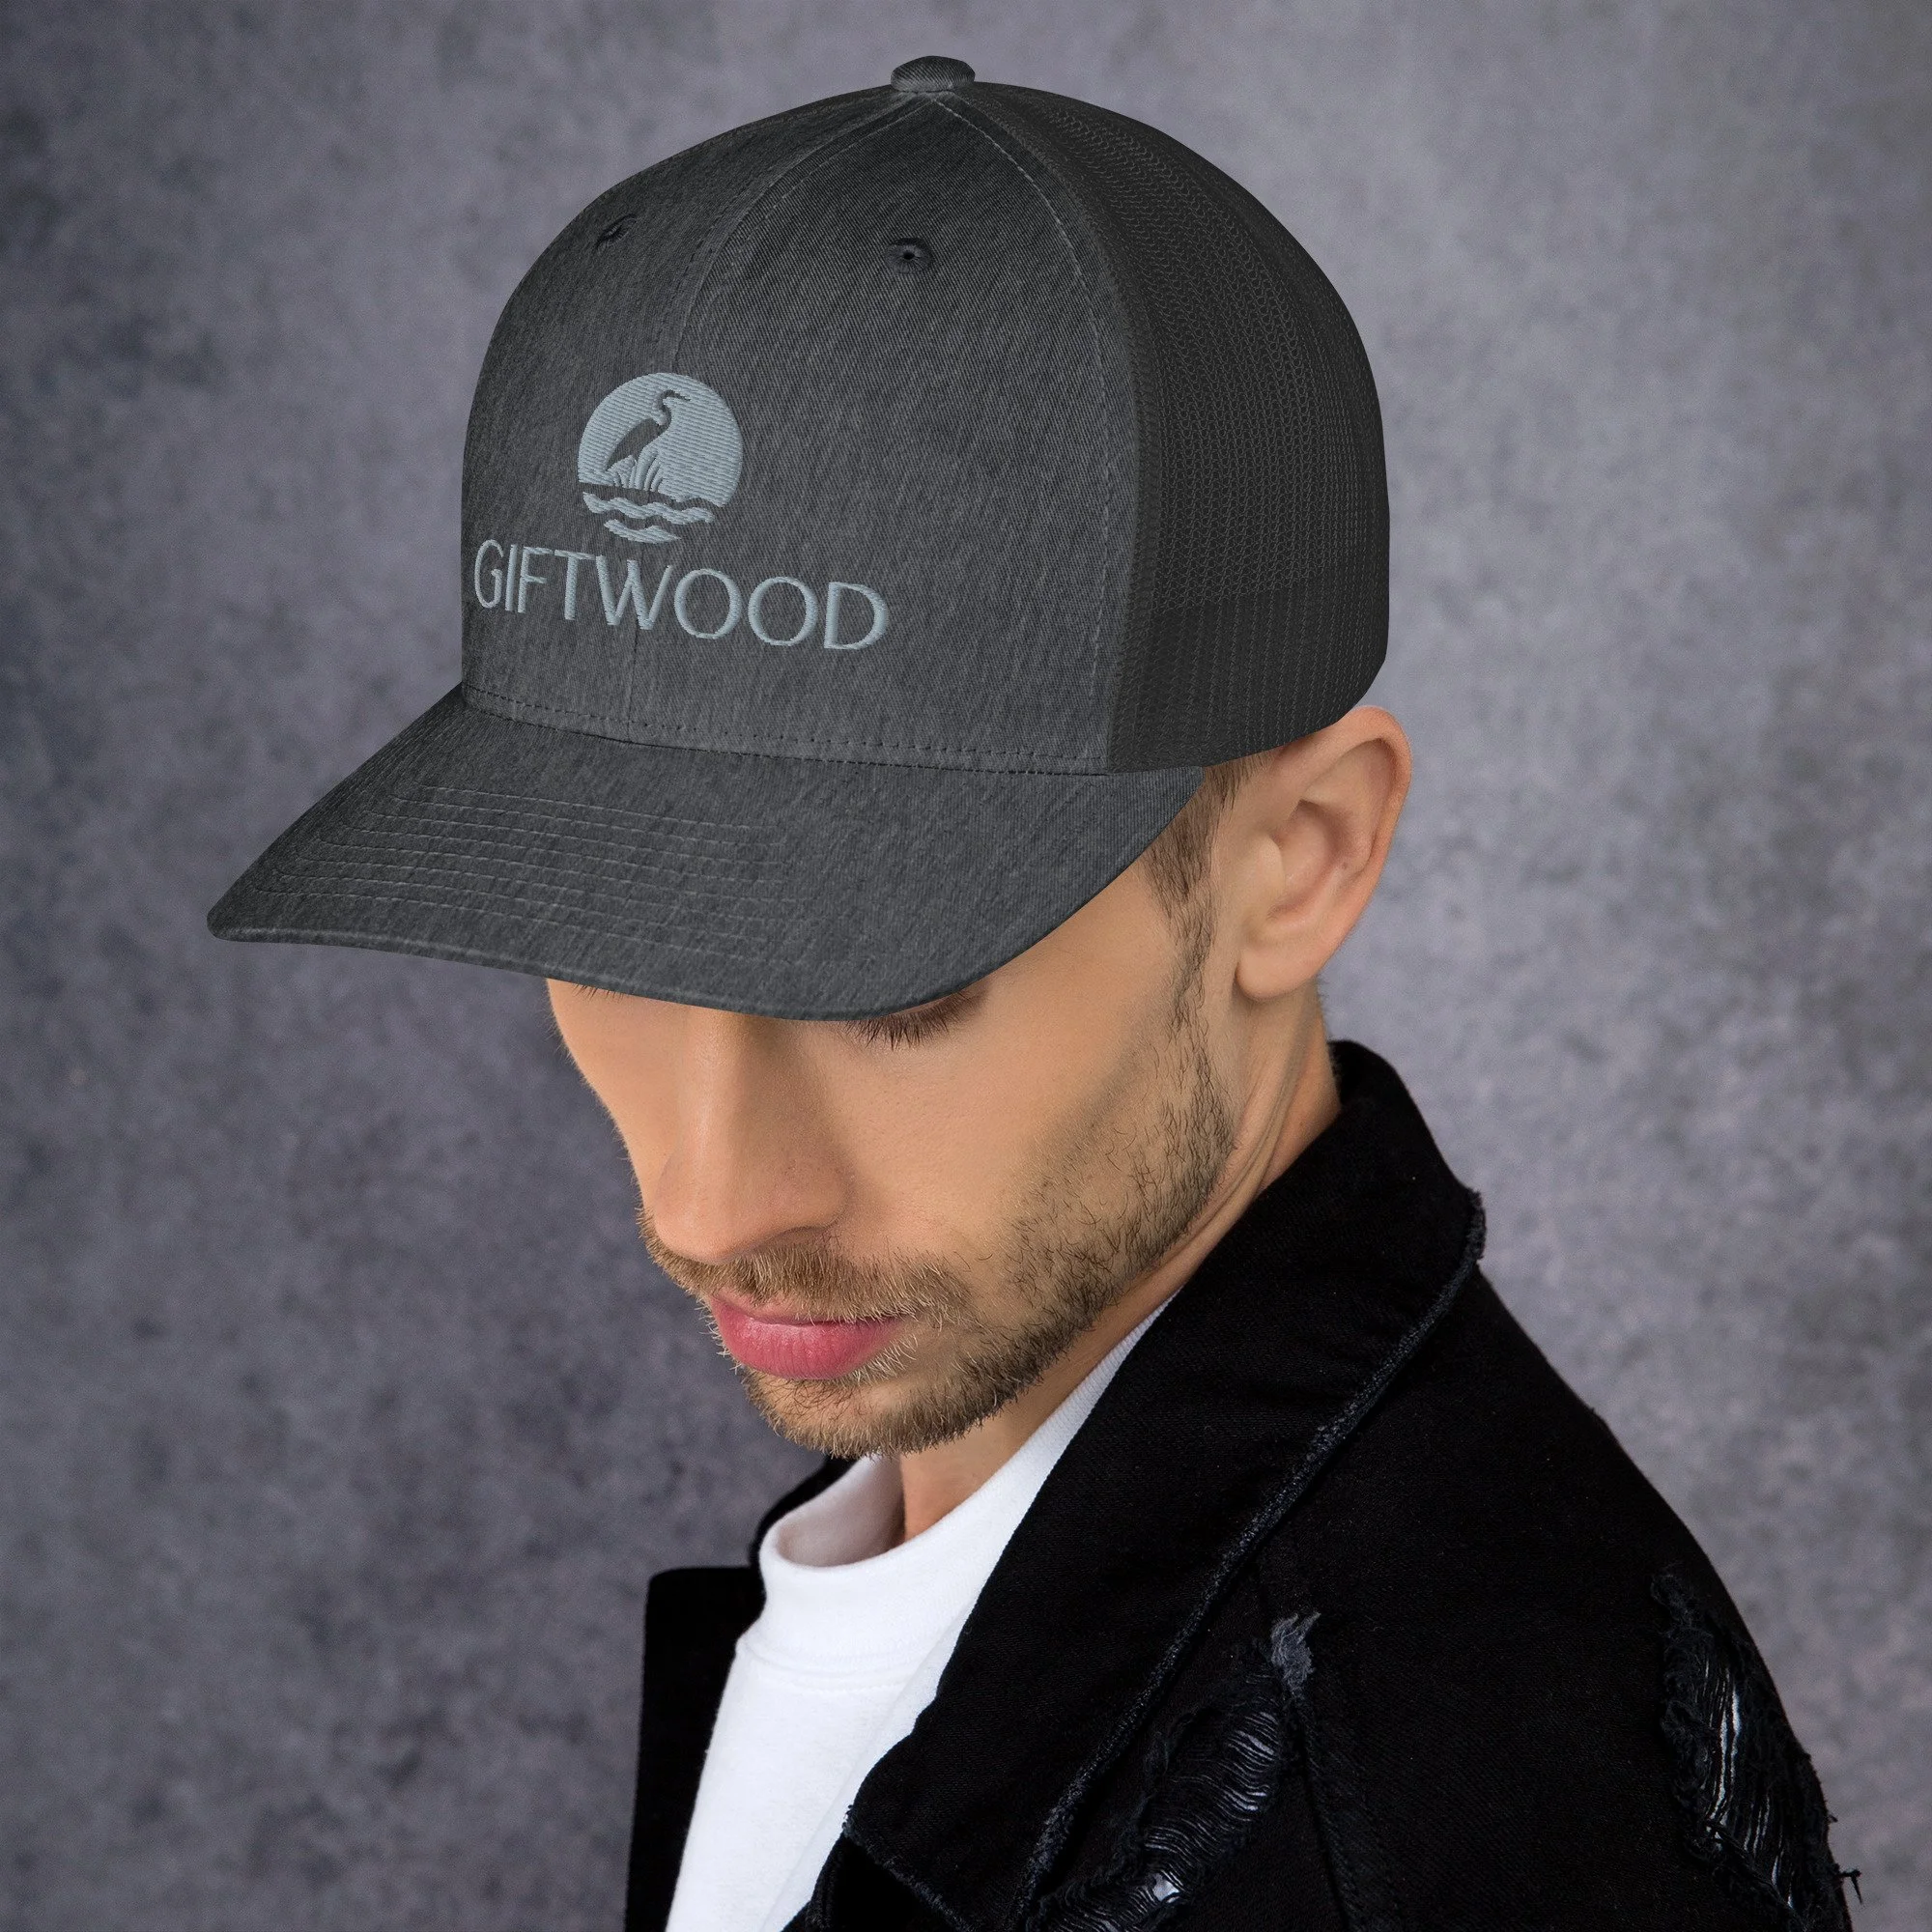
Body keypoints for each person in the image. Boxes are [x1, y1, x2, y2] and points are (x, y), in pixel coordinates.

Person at [210, 54, 1856, 1932]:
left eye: (890, 984)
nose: (710, 1200)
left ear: (1298, 858)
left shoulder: (1424, 1821)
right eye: (614, 934)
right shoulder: (960, 1554)